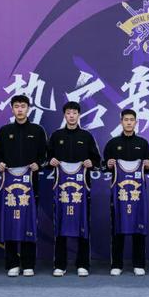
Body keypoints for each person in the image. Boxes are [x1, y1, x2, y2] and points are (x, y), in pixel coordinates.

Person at [0, 95, 47, 277]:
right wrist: (0, 163)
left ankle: (28, 264)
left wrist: (38, 164)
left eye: (23, 106)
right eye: (16, 106)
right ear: (12, 109)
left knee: (28, 221)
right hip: (9, 186)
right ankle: (12, 263)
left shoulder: (37, 130)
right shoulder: (5, 130)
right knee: (10, 222)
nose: (20, 109)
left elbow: (44, 155)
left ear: (28, 108)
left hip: (30, 185)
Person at [48, 101, 101, 277]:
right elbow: (47, 158)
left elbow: (97, 160)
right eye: (68, 113)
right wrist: (50, 161)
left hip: (81, 190)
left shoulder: (86, 136)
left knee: (83, 225)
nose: (71, 116)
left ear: (79, 115)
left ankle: (83, 264)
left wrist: (91, 162)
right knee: (60, 225)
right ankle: (60, 264)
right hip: (61, 190)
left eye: (74, 113)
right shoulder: (56, 136)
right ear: (64, 115)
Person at [103, 109, 149, 276]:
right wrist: (108, 164)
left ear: (136, 122)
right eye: (126, 119)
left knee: (139, 228)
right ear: (121, 122)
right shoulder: (112, 143)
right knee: (117, 228)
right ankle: (116, 264)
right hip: (119, 194)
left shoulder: (142, 143)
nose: (129, 122)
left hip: (138, 195)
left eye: (132, 119)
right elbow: (104, 165)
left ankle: (138, 264)